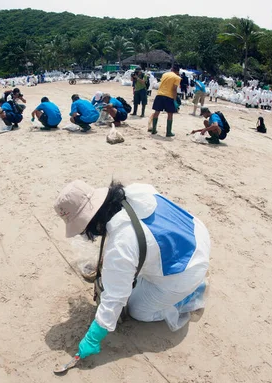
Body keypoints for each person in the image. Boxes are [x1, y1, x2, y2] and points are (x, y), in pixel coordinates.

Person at [53, 180, 210, 360]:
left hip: (186, 269)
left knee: (138, 311)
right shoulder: (133, 191)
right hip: (195, 234)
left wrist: (93, 337)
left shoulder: (122, 243)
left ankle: (188, 295)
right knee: (130, 275)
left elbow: (115, 298)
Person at [150, 65, 181, 137]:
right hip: (169, 96)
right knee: (170, 114)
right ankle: (168, 132)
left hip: (159, 94)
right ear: (177, 71)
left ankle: (154, 129)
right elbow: (174, 89)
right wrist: (175, 99)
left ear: (172, 69)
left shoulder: (164, 74)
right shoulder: (177, 77)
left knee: (156, 112)